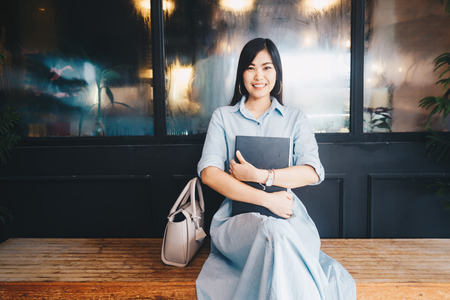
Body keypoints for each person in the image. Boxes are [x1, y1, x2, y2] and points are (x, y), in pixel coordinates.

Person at [196, 38, 356, 300]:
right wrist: (267, 199)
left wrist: (260, 176)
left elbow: (313, 171)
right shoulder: (223, 117)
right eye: (250, 67)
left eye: (267, 67)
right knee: (274, 231)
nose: (258, 75)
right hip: (237, 223)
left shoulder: (295, 118)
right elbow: (209, 173)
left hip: (289, 216)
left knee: (279, 232)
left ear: (277, 73)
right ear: (241, 75)